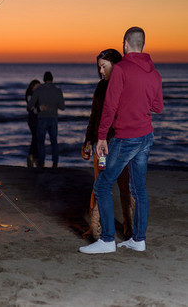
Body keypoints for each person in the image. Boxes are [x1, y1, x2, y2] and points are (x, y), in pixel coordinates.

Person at [80, 27, 163, 254]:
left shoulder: (122, 69)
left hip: (125, 137)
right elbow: (158, 107)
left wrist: (100, 137)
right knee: (139, 190)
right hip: (146, 137)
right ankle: (138, 239)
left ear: (125, 44)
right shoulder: (154, 73)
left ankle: (107, 240)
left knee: (102, 185)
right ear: (143, 45)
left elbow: (110, 106)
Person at [81, 49, 133, 239]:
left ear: (116, 64)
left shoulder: (126, 85)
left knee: (124, 186)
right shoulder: (101, 86)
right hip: (99, 144)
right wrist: (88, 140)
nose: (101, 71)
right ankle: (95, 228)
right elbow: (94, 115)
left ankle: (129, 228)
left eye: (104, 66)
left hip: (120, 143)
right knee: (99, 185)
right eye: (99, 67)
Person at [26, 71, 65, 168]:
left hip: (42, 118)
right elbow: (62, 107)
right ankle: (55, 163)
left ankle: (41, 163)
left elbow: (29, 106)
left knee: (40, 142)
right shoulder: (57, 91)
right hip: (53, 118)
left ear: (43, 79)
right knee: (54, 142)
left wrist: (40, 107)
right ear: (52, 79)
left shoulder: (39, 90)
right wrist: (54, 104)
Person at [25, 79, 41, 167]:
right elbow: (32, 109)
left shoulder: (36, 95)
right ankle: (31, 156)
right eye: (37, 86)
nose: (38, 88)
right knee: (35, 137)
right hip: (32, 119)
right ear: (32, 86)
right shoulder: (30, 95)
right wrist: (41, 108)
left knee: (36, 138)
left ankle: (34, 156)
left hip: (36, 119)